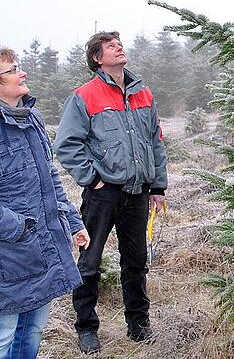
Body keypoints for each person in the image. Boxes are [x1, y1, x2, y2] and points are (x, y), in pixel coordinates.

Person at [0, 47, 91, 358]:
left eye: (19, 67)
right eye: (12, 70)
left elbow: (48, 179)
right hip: (6, 254)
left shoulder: (31, 117)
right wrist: (20, 228)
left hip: (44, 245)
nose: (22, 73)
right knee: (1, 336)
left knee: (33, 332)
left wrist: (73, 221)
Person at [54, 31, 168, 354]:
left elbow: (156, 141)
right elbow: (66, 145)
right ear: (97, 58)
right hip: (102, 195)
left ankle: (138, 325)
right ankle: (86, 329)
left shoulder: (142, 93)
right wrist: (93, 179)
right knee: (89, 261)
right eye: (111, 46)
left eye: (120, 44)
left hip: (138, 194)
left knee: (136, 262)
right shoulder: (85, 96)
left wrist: (158, 186)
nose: (119, 48)